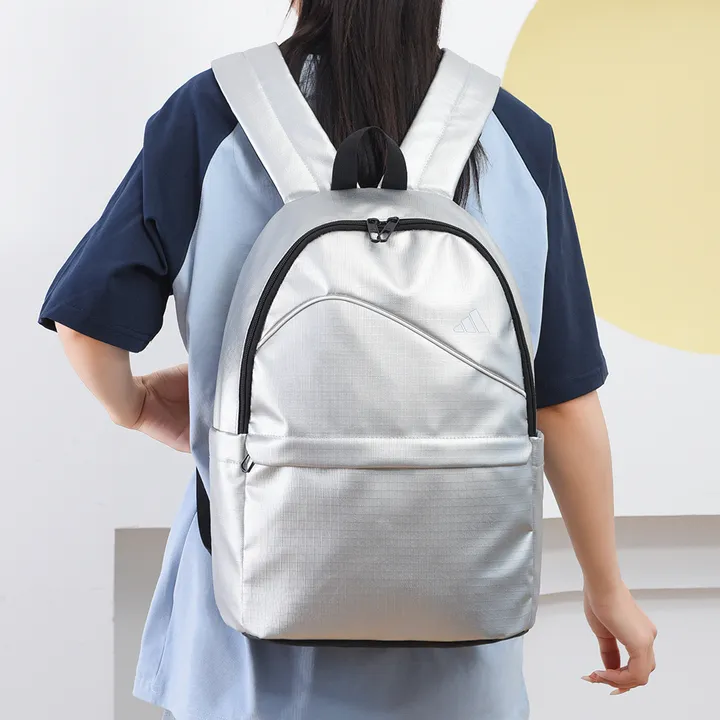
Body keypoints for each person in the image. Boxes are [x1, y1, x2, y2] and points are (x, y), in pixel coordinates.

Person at [39, 0, 657, 718]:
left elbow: (86, 326)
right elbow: (561, 401)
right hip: (458, 672)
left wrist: (141, 408)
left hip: (248, 662)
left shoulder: (211, 116)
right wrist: (606, 587)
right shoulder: (515, 136)